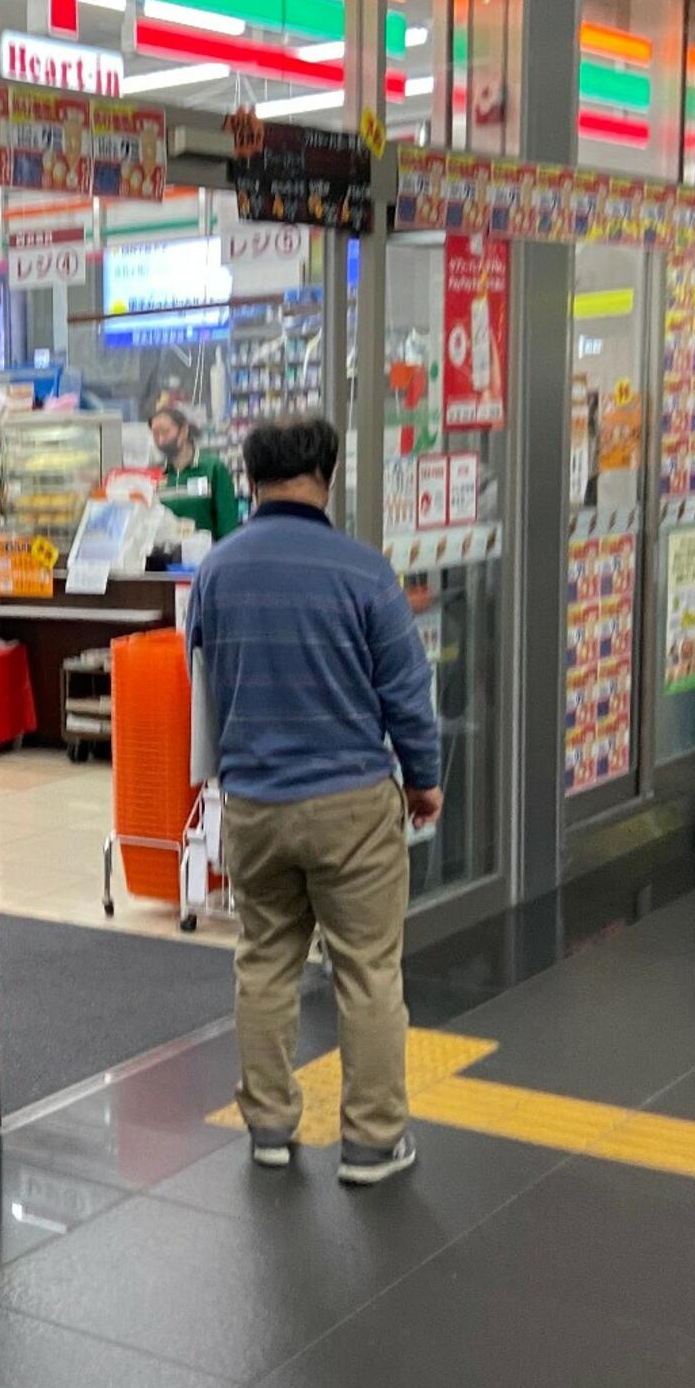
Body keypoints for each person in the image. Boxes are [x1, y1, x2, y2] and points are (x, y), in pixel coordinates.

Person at [187, 412, 441, 1184]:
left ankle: (267, 1124)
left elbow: (202, 683)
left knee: (264, 960)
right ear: (326, 475)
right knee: (367, 970)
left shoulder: (218, 570)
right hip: (350, 803)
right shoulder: (363, 571)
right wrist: (424, 777)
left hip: (256, 800)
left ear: (251, 478)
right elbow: (406, 688)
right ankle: (371, 1141)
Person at [148, 399, 241, 540]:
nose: (160, 440)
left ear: (184, 430)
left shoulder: (212, 468)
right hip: (166, 558)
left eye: (165, 432)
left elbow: (228, 524)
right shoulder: (155, 474)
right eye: (155, 434)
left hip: (207, 557)